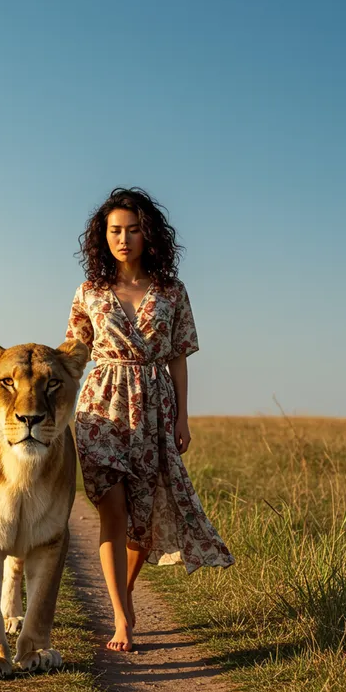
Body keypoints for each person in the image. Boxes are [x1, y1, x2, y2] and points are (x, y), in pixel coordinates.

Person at [66, 187, 234, 652]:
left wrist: (182, 417)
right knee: (113, 510)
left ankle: (127, 592)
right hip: (100, 407)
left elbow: (179, 357)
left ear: (148, 234)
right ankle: (121, 618)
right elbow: (73, 353)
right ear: (103, 237)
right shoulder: (89, 292)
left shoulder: (172, 292)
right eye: (115, 230)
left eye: (133, 230)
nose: (124, 239)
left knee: (142, 522)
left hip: (154, 407)